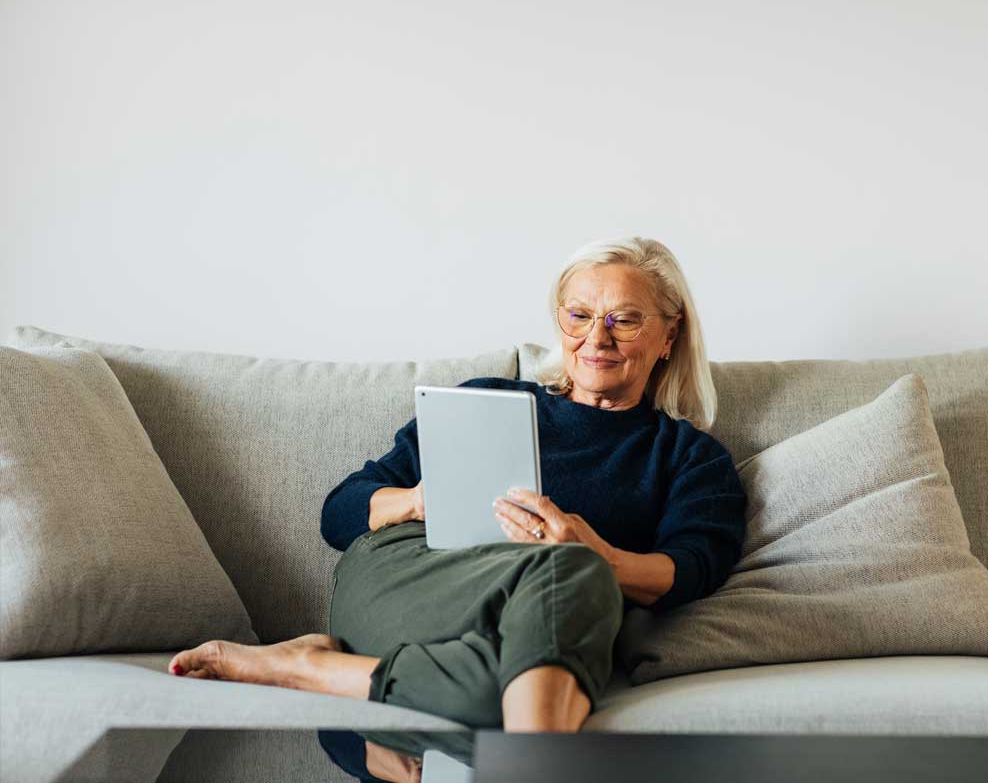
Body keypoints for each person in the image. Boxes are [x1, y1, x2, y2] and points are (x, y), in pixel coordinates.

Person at [167, 236, 748, 762]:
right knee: (572, 580)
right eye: (579, 315)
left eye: (623, 320)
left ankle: (323, 680)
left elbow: (693, 568)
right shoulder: (486, 400)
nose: (596, 338)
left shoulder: (688, 456)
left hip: (537, 622)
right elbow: (341, 511)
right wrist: (421, 501)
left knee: (553, 623)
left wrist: (600, 554)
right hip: (408, 576)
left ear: (669, 334)